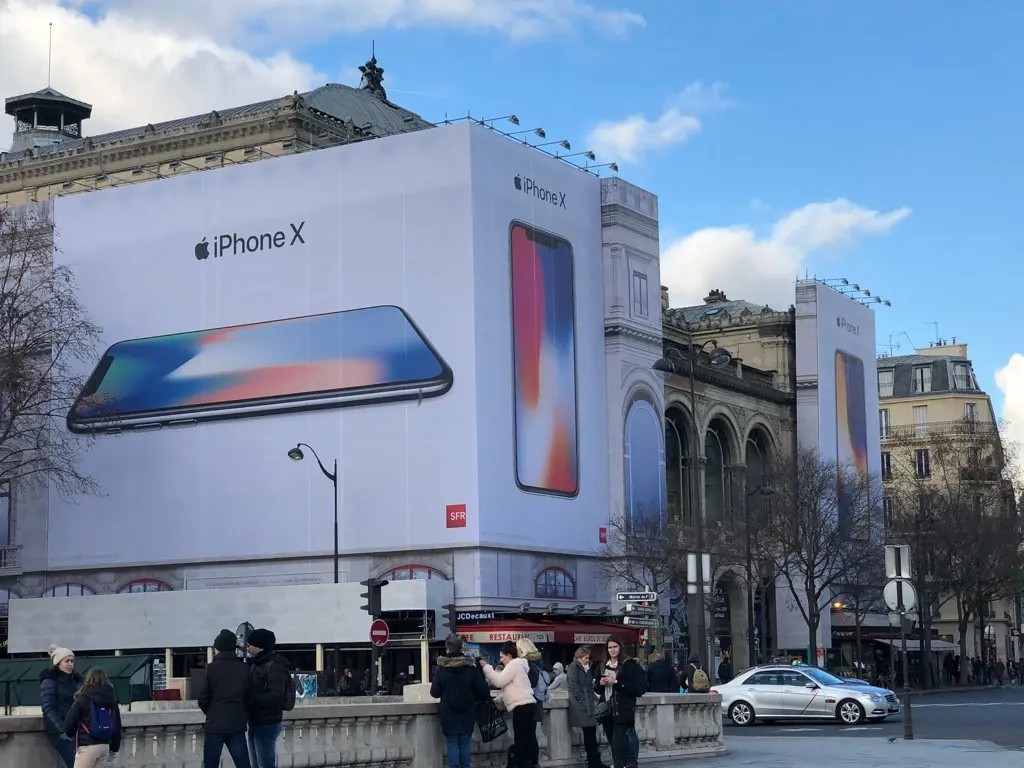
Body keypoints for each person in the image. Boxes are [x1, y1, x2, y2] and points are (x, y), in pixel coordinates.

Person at [430, 634, 489, 768]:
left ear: (448, 649)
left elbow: (434, 692)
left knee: (452, 742)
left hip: (449, 713)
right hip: (467, 711)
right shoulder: (470, 669)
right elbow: (483, 691)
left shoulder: (442, 670)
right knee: (465, 742)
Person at [199, 629, 251, 768]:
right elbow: (249, 697)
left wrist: (212, 712)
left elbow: (203, 699)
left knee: (211, 764)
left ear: (218, 649)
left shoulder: (211, 669)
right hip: (237, 723)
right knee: (243, 763)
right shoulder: (244, 668)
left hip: (215, 724)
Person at [480, 641, 537, 768]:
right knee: (528, 740)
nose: (501, 661)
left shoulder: (514, 664)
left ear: (509, 656)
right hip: (529, 705)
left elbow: (499, 681)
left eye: (502, 657)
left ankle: (522, 765)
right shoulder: (520, 666)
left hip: (522, 707)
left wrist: (486, 667)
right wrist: (497, 700)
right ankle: (530, 763)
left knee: (521, 741)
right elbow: (511, 688)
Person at [595, 635, 646, 768]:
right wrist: (600, 683)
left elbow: (635, 689)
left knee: (619, 744)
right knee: (613, 743)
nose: (612, 650)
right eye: (610, 647)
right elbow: (596, 689)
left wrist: (616, 682)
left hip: (622, 710)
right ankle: (623, 764)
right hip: (607, 711)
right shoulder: (602, 665)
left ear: (620, 647)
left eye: (615, 647)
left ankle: (626, 764)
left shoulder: (628, 665)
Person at [245, 628, 290, 768]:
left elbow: (275, 696)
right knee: (256, 764)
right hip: (256, 720)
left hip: (267, 721)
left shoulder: (274, 666)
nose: (247, 647)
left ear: (260, 646)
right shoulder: (256, 664)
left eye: (250, 644)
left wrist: (250, 699)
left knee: (265, 764)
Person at [62, 667, 122, 768]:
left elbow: (70, 722)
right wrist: (114, 749)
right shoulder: (112, 700)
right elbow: (117, 727)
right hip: (105, 746)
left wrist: (69, 734)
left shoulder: (83, 699)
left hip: (87, 747)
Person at [40, 644, 82, 768]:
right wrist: (63, 730)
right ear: (58, 663)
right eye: (66, 661)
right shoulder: (49, 681)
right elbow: (48, 709)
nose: (70, 664)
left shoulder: (76, 681)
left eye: (72, 661)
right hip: (60, 732)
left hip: (77, 729)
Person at [567, 646, 608, 768]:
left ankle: (594, 761)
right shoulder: (573, 668)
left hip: (588, 704)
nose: (587, 660)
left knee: (591, 734)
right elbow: (574, 688)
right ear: (579, 658)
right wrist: (584, 701)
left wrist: (593, 699)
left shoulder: (585, 668)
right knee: (589, 734)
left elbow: (589, 685)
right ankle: (594, 762)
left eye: (588, 658)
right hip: (582, 706)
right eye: (585, 658)